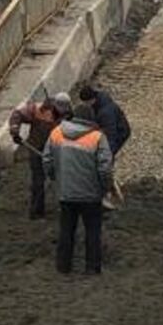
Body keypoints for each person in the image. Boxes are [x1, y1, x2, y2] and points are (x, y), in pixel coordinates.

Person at [43, 102, 113, 275]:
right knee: (92, 232)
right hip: (91, 195)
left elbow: (46, 160)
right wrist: (105, 188)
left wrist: (55, 178)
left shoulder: (57, 132)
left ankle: (63, 267)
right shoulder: (97, 137)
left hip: (66, 193)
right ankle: (92, 268)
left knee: (66, 230)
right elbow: (105, 168)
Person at [5, 96, 65, 218]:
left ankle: (66, 207)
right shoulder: (35, 110)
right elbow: (17, 114)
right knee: (38, 180)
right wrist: (15, 130)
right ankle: (37, 211)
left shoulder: (65, 117)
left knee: (61, 178)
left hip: (56, 150)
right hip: (37, 149)